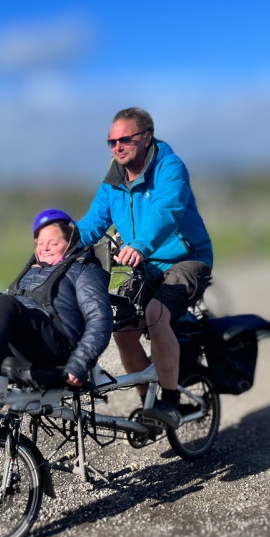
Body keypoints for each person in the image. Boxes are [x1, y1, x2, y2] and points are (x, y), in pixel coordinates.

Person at [75, 107, 213, 429]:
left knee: (155, 315)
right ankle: (147, 405)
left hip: (186, 259)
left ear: (147, 137)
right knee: (122, 333)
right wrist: (57, 243)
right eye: (111, 142)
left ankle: (169, 402)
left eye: (125, 140)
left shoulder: (170, 167)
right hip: (138, 263)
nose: (117, 147)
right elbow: (92, 224)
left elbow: (167, 210)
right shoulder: (113, 180)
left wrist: (139, 244)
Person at [0, 209, 112, 390]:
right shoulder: (32, 269)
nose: (44, 248)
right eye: (40, 243)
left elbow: (100, 320)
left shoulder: (85, 271)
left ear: (71, 242)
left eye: (53, 243)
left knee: (5, 302)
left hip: (59, 347)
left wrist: (79, 364)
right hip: (31, 342)